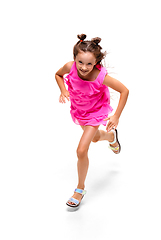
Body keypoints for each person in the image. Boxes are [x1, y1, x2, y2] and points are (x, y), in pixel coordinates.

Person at [55, 34, 129, 208]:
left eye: (89, 63)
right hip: (80, 111)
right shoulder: (69, 67)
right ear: (74, 59)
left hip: (96, 112)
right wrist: (63, 90)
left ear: (96, 62)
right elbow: (58, 75)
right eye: (80, 62)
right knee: (95, 138)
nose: (84, 67)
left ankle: (79, 189)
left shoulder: (100, 76)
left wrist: (116, 115)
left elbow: (124, 91)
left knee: (81, 150)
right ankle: (111, 138)